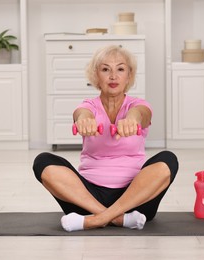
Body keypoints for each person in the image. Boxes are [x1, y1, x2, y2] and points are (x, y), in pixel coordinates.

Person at [33, 45, 179, 232]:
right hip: (86, 198)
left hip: (136, 196)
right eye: (105, 69)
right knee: (43, 161)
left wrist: (131, 120)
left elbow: (141, 114)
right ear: (96, 75)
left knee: (168, 160)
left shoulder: (138, 105)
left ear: (129, 75)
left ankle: (94, 220)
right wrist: (84, 120)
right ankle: (118, 219)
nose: (113, 76)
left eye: (120, 69)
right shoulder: (88, 106)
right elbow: (81, 114)